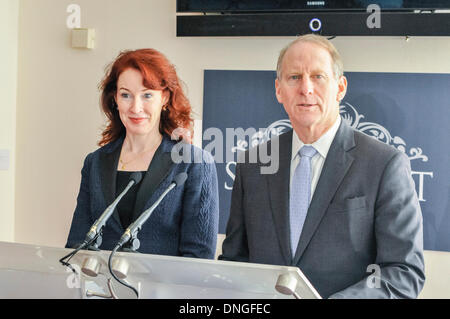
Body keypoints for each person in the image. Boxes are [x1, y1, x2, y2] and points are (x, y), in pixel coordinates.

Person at [220, 34, 425, 298]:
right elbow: (235, 262)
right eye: (294, 77)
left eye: (318, 76)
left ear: (340, 88)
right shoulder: (253, 164)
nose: (306, 88)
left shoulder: (384, 164)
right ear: (278, 89)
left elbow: (404, 272)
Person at [66, 49, 219, 259]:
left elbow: (199, 257)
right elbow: (76, 244)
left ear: (164, 97)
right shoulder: (95, 162)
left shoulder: (193, 163)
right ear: (115, 99)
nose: (136, 107)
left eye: (147, 95)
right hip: (98, 290)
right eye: (126, 95)